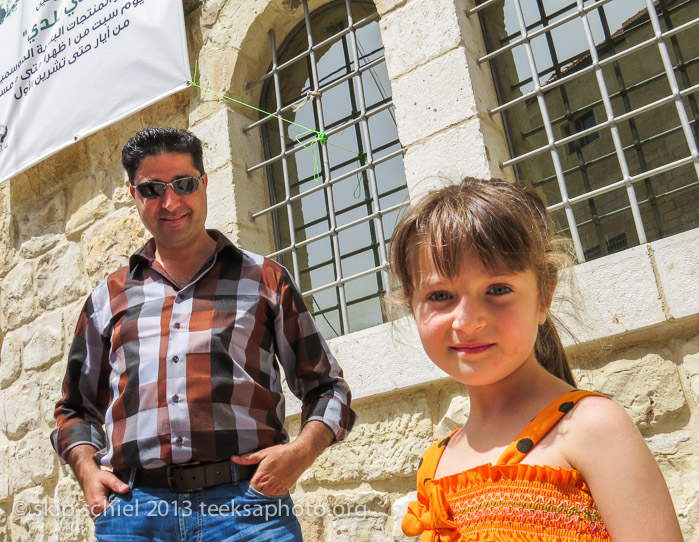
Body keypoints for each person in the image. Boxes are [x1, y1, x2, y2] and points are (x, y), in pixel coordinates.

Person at [51, 126, 356, 541]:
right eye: (152, 188)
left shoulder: (264, 279)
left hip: (249, 511)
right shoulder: (109, 297)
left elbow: (327, 388)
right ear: (133, 195)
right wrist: (87, 471)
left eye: (184, 183)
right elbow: (73, 409)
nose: (171, 201)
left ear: (205, 183)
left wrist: (299, 455)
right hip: (135, 515)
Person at [394, 178, 683, 541]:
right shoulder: (434, 463)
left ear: (543, 296)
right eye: (440, 296)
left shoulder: (592, 427)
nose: (467, 321)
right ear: (412, 306)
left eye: (498, 290)